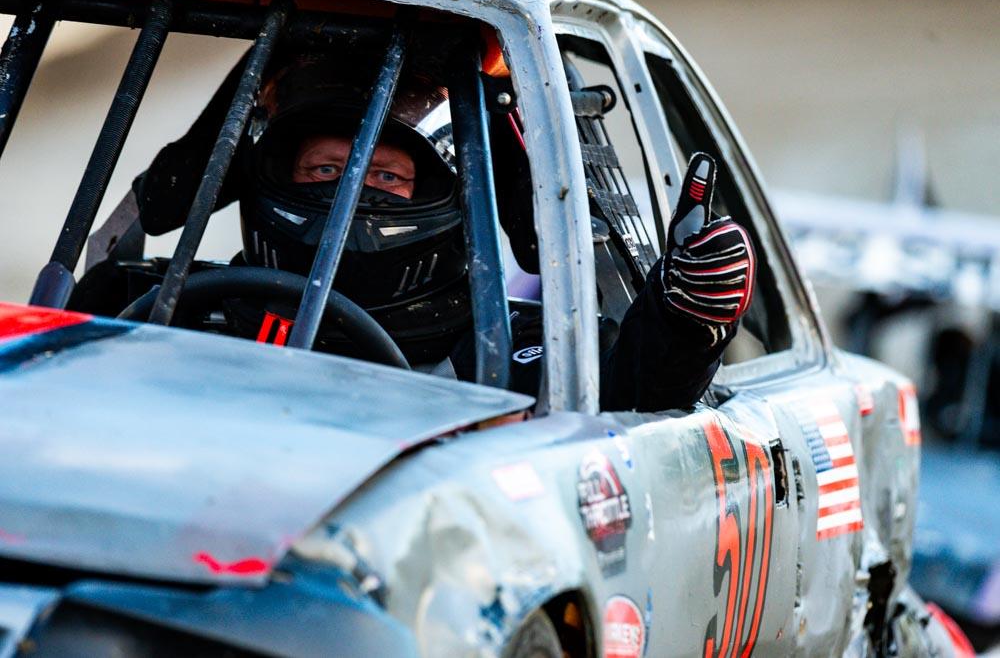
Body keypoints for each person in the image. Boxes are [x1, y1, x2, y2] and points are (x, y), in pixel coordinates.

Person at [73, 47, 755, 412]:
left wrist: (687, 322)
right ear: (273, 176)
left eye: (384, 176)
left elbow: (641, 403)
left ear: (437, 193)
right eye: (326, 169)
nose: (351, 195)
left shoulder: (521, 350)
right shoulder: (169, 312)